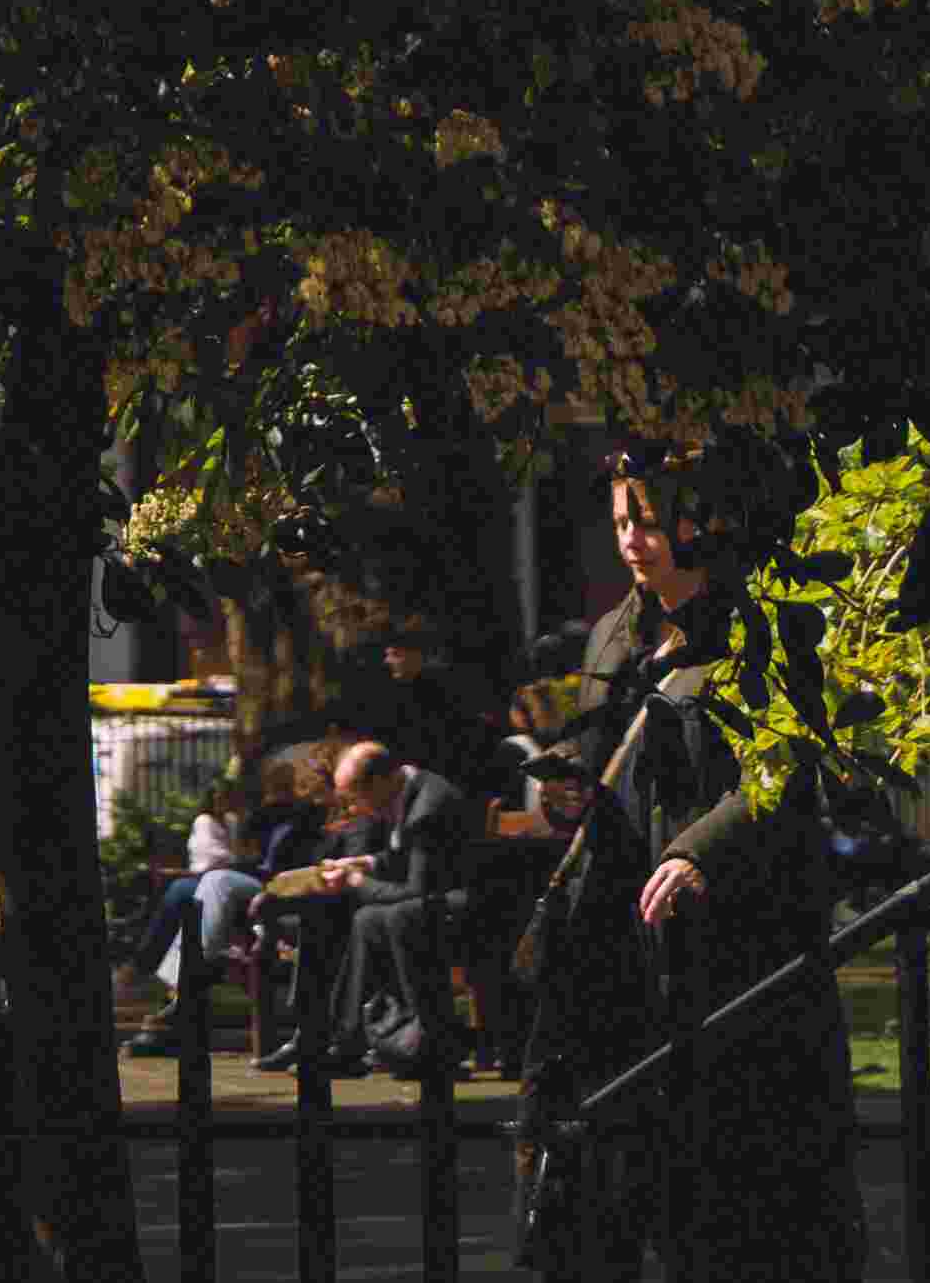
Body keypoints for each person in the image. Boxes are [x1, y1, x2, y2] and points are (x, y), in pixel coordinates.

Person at [511, 449, 863, 1283]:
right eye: (624, 522)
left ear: (697, 524)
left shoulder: (757, 628)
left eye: (652, 522)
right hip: (620, 925)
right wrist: (568, 782)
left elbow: (785, 766)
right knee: (614, 1138)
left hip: (735, 933)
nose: (635, 541)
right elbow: (607, 756)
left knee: (732, 1152)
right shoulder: (613, 632)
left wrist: (700, 851)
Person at [313, 740, 481, 1074]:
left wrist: (359, 884)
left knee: (393, 917)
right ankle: (349, 1040)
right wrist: (366, 863)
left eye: (356, 797)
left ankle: (427, 1038)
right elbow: (404, 858)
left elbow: (418, 889)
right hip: (434, 898)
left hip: (465, 904)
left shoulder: (427, 807)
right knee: (367, 919)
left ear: (379, 782)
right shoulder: (405, 793)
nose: (355, 808)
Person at [124, 779, 268, 1051]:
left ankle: (159, 979)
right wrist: (239, 857)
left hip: (231, 881)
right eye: (222, 797)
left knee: (183, 894)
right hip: (212, 877)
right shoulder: (207, 821)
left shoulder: (237, 820)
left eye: (230, 796)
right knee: (186, 895)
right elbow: (213, 858)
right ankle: (169, 988)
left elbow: (240, 858)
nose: (226, 802)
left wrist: (240, 858)